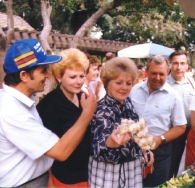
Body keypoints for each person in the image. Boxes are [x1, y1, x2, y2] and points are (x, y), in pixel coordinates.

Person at [0, 38, 96, 187]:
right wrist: (87, 114)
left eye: (81, 75)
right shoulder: (12, 111)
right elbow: (60, 152)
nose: (48, 75)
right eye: (43, 70)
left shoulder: (22, 103)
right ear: (24, 75)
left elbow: (44, 152)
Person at [89, 57, 154, 188]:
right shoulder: (101, 110)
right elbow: (98, 150)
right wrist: (112, 143)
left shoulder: (128, 103)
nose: (124, 88)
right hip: (108, 173)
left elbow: (136, 134)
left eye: (129, 83)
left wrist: (144, 149)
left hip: (131, 169)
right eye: (119, 82)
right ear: (107, 83)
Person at [36, 48, 95, 187]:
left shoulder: (83, 98)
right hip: (64, 178)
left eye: (82, 76)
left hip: (88, 173)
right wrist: (49, 179)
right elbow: (44, 149)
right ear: (59, 77)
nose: (79, 81)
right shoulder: (49, 105)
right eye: (73, 77)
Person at [130, 54, 187, 187]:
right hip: (132, 150)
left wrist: (159, 139)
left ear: (167, 72)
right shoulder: (134, 90)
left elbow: (181, 127)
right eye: (153, 73)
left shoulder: (173, 96)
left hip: (159, 151)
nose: (157, 77)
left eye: (161, 74)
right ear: (146, 71)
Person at [166, 50, 195, 178]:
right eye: (175, 63)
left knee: (182, 164)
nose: (179, 67)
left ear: (187, 65)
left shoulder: (191, 81)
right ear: (169, 65)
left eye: (182, 63)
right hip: (172, 131)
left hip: (189, 131)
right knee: (169, 165)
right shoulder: (164, 83)